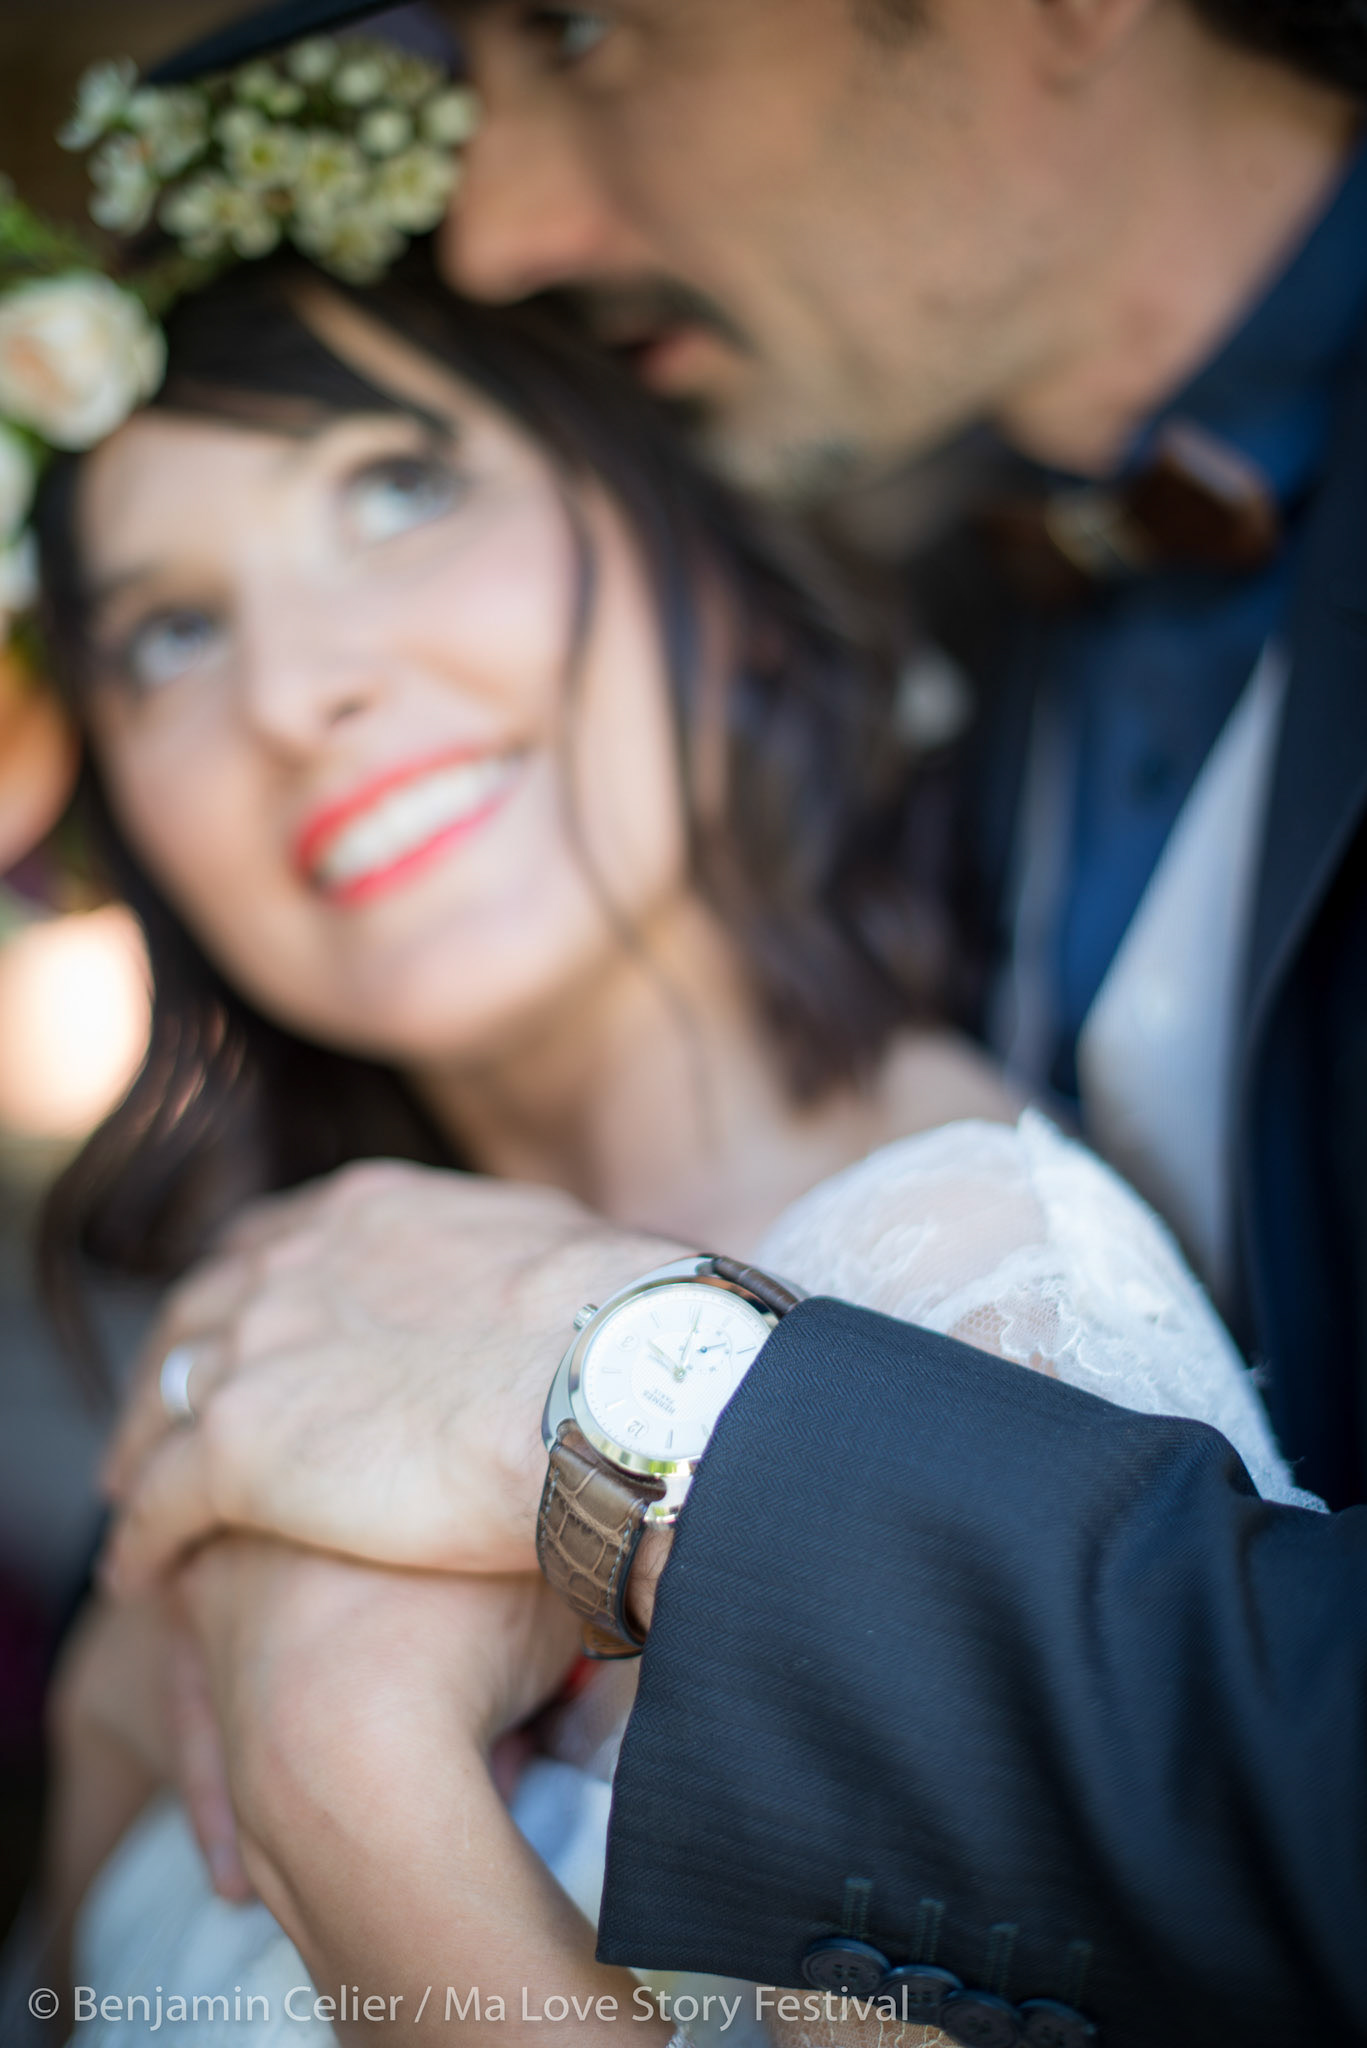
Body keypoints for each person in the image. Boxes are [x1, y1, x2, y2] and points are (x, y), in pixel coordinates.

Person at [90, 1, 1367, 2040]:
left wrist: (347, 1747)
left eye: (584, 24)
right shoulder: (233, 1390)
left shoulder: (975, 1280)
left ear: (714, 576)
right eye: (165, 631)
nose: (298, 689)